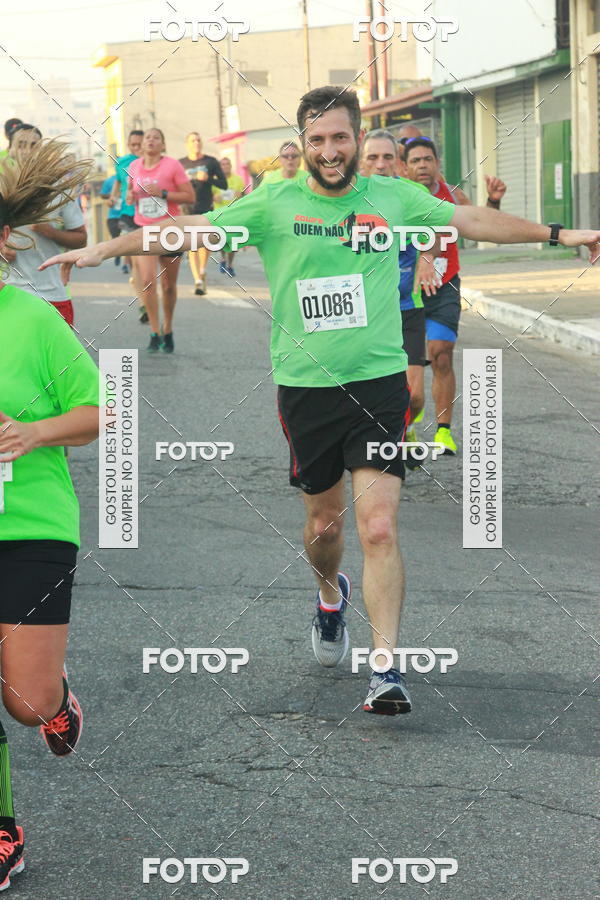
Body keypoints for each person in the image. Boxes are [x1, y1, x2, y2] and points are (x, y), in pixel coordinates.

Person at [42, 85, 600, 716]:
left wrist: (563, 231)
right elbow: (185, 230)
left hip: (380, 382)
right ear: (302, 144)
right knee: (324, 526)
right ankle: (329, 596)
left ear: (359, 139)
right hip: (306, 390)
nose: (330, 151)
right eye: (317, 140)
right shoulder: (274, 203)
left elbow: (469, 221)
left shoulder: (392, 197)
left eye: (341, 137)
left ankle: (385, 669)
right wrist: (102, 248)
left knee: (380, 524)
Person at [0, 136, 100, 892]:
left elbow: (97, 410)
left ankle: (56, 695)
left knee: (25, 703)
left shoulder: (33, 322)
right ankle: (4, 829)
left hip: (32, 523)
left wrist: (34, 432)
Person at [403, 136, 506, 454]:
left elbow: (481, 225)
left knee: (442, 353)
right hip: (408, 293)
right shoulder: (399, 199)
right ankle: (408, 425)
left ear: (437, 163)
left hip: (445, 287)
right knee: (411, 373)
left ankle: (444, 432)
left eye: (428, 159)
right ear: (404, 167)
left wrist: (493, 202)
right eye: (416, 160)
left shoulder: (453, 196)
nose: (423, 165)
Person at [360, 129, 440, 468]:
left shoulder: (410, 194)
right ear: (361, 163)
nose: (381, 165)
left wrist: (426, 259)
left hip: (407, 308)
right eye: (373, 158)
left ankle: (407, 429)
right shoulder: (349, 198)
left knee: (416, 394)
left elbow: (434, 232)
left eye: (388, 157)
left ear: (398, 163)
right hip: (365, 313)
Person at [2, 124, 87, 327]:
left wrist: (50, 232)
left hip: (52, 295)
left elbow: (81, 239)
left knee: (62, 359)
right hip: (9, 294)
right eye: (21, 145)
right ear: (11, 148)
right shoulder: (2, 190)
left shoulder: (57, 191)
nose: (27, 150)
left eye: (33, 145)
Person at [126, 127, 194, 353]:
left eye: (156, 138)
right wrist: (130, 196)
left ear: (163, 145)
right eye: (148, 138)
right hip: (145, 228)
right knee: (147, 280)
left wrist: (163, 193)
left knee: (168, 286)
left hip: (170, 229)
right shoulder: (134, 167)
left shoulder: (173, 165)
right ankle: (154, 331)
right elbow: (130, 193)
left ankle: (168, 328)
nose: (151, 141)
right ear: (142, 144)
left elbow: (189, 196)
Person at [179, 132, 227, 295]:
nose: (196, 142)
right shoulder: (180, 164)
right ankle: (198, 280)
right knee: (193, 245)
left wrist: (208, 179)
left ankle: (202, 269)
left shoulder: (211, 161)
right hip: (188, 209)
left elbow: (224, 184)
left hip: (206, 207)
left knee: (205, 243)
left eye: (199, 139)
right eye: (193, 140)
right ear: (187, 144)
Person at [112, 129, 145, 317]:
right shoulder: (123, 163)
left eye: (139, 144)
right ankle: (143, 303)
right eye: (133, 145)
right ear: (128, 145)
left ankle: (147, 291)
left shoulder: (157, 163)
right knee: (137, 262)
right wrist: (113, 197)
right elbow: (118, 183)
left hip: (152, 219)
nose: (137, 148)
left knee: (149, 265)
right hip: (128, 215)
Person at [212, 157, 245, 276]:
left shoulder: (238, 180)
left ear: (231, 166)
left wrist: (240, 195)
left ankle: (230, 264)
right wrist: (214, 197)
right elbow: (208, 195)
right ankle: (223, 259)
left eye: (227, 164)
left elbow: (244, 196)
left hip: (234, 215)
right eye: (223, 164)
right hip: (219, 214)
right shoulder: (215, 180)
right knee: (221, 240)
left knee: (233, 242)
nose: (225, 166)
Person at [100, 170, 122, 267]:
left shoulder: (132, 177)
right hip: (113, 216)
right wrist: (113, 195)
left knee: (129, 237)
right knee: (115, 238)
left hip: (127, 214)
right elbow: (102, 195)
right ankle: (118, 254)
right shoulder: (109, 181)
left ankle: (127, 263)